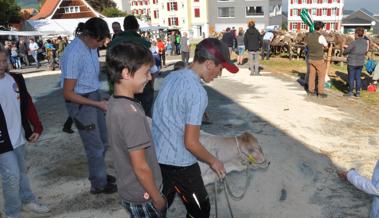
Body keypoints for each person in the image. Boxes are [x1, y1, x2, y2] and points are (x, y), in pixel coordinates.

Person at [152, 38, 239, 218]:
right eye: (220, 69)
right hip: (181, 163)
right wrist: (214, 161)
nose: (219, 74)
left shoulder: (171, 77)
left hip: (158, 156)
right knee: (200, 210)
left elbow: (164, 113)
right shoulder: (197, 92)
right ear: (208, 64)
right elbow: (191, 143)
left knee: (160, 205)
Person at [106, 42, 167, 218]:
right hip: (144, 195)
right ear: (126, 73)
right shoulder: (130, 114)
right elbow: (140, 166)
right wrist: (157, 198)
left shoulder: (115, 101)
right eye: (146, 72)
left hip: (129, 188)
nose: (149, 77)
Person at [60, 17, 117, 194]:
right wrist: (97, 103)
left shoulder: (90, 46)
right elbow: (68, 93)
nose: (101, 44)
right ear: (88, 35)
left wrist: (110, 67)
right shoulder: (74, 53)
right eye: (99, 41)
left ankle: (98, 173)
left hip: (92, 97)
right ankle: (98, 184)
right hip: (81, 103)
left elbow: (89, 69)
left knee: (104, 140)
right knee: (95, 146)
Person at [0, 49, 50, 218]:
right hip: (2, 141)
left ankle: (27, 200)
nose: (2, 65)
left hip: (19, 136)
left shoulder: (15, 79)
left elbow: (27, 104)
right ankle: (12, 212)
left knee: (21, 172)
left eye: (4, 61)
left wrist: (37, 127)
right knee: (11, 176)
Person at [108, 15, 157, 117]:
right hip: (142, 87)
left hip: (120, 88)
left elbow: (109, 68)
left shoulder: (112, 44)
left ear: (124, 27)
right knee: (145, 118)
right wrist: (151, 85)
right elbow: (153, 69)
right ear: (137, 27)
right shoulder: (145, 44)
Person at [305, 21, 328, 98]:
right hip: (318, 58)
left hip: (310, 57)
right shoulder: (321, 37)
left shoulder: (309, 35)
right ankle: (320, 92)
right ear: (321, 28)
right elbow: (326, 46)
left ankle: (311, 91)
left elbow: (308, 45)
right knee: (321, 75)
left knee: (312, 75)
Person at [343, 27, 368, 97]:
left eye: (354, 33)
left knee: (351, 77)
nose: (354, 35)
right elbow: (364, 51)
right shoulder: (365, 42)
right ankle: (358, 92)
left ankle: (350, 92)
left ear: (356, 34)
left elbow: (347, 51)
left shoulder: (354, 42)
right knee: (358, 77)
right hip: (360, 62)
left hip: (352, 62)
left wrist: (344, 51)